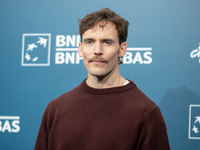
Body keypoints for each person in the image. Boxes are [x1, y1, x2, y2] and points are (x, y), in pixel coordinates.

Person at [34, 8, 170, 150]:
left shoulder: (146, 113)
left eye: (107, 42)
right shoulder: (55, 110)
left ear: (122, 49)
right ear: (80, 49)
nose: (97, 50)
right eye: (89, 42)